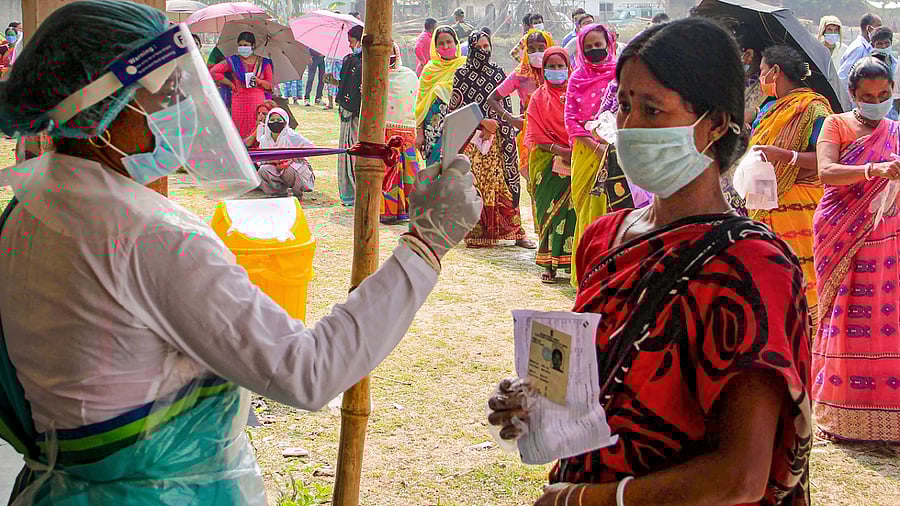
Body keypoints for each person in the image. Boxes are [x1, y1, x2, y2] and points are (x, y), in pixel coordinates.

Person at [0, 2, 483, 503]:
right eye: (163, 91)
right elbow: (308, 370)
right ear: (102, 105)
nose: (177, 104)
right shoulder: (151, 237)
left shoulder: (28, 208)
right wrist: (426, 244)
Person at [489, 18, 811, 506]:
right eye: (623, 104)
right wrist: (540, 398)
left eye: (652, 109)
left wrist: (588, 501)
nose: (629, 126)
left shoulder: (752, 267)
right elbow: (604, 371)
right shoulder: (604, 238)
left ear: (717, 123)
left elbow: (741, 477)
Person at [814, 56, 900, 443]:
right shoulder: (836, 124)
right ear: (852, 94)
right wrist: (873, 170)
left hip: (888, 235)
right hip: (841, 231)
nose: (877, 101)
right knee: (846, 315)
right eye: (868, 95)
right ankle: (842, 414)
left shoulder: (895, 129)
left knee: (887, 318)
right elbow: (826, 172)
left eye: (884, 94)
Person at [751, 45, 832, 325]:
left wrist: (786, 156)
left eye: (762, 72)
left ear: (776, 71)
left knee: (802, 279)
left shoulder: (813, 109)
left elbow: (827, 160)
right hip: (768, 204)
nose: (760, 78)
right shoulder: (769, 108)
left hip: (801, 207)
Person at [449, 30, 531, 249]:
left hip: (498, 139)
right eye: (479, 47)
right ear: (471, 47)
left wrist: (498, 127)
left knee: (502, 183)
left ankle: (514, 231)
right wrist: (481, 122)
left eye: (487, 47)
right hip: (472, 139)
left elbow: (505, 106)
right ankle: (477, 232)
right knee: (476, 184)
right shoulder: (461, 74)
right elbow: (456, 109)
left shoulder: (497, 72)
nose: (484, 51)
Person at [565, 23, 617, 288]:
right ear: (582, 51)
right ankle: (586, 276)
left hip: (615, 152)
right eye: (590, 47)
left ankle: (612, 274)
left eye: (599, 45)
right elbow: (571, 120)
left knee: (613, 210)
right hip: (587, 152)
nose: (596, 51)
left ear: (608, 44)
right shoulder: (576, 78)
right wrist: (594, 144)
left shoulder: (620, 74)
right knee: (587, 210)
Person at [524, 47, 578, 283]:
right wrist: (560, 150)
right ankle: (549, 264)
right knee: (548, 212)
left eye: (560, 66)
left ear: (568, 67)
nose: (557, 71)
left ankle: (572, 263)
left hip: (579, 158)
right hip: (547, 162)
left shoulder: (578, 94)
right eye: (552, 67)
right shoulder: (538, 97)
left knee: (574, 212)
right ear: (544, 69)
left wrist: (575, 149)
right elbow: (534, 133)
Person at [489, 29, 553, 181]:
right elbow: (492, 98)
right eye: (531, 49)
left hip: (558, 133)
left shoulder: (559, 70)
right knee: (536, 182)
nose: (536, 53)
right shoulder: (520, 74)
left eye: (540, 48)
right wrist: (512, 120)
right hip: (530, 133)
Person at [381, 42, 421, 224]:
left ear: (396, 53)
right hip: (384, 133)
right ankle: (388, 211)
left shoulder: (409, 76)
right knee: (389, 173)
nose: (387, 56)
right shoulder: (374, 77)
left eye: (390, 52)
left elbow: (415, 102)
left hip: (407, 131)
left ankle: (411, 211)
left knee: (410, 173)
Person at [414, 26, 465, 165]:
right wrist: (419, 133)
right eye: (441, 43)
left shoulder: (464, 66)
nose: (446, 46)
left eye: (449, 41)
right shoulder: (429, 70)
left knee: (457, 171)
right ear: (434, 47)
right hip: (433, 131)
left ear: (456, 42)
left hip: (460, 129)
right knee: (434, 171)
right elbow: (420, 103)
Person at [210, 31, 274, 138]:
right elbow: (213, 72)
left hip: (257, 102)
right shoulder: (234, 61)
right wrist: (231, 85)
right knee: (239, 132)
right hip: (239, 101)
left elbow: (269, 85)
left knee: (257, 131)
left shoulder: (263, 62)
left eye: (245, 45)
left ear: (253, 46)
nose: (242, 47)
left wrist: (259, 81)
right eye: (240, 45)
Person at [256, 108, 316, 198]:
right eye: (272, 120)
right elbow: (261, 159)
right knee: (263, 170)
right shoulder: (264, 139)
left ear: (285, 121)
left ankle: (298, 192)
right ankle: (278, 192)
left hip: (293, 166)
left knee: (289, 169)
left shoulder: (292, 136)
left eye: (279, 120)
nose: (275, 122)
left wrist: (290, 158)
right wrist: (273, 161)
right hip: (275, 167)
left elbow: (311, 148)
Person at [336, 24, 364, 207]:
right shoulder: (350, 60)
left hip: (359, 115)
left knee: (356, 153)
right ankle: (349, 192)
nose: (350, 45)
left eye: (351, 41)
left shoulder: (365, 62)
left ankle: (358, 191)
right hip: (349, 112)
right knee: (347, 152)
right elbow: (346, 84)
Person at [839, 13, 882, 83]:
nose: (880, 30)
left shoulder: (868, 48)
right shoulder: (859, 48)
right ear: (869, 28)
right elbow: (843, 76)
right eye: (878, 27)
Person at [869, 27, 900, 120]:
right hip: (874, 116)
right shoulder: (867, 67)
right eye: (879, 44)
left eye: (887, 43)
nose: (883, 47)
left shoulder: (896, 64)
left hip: (893, 117)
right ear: (872, 45)